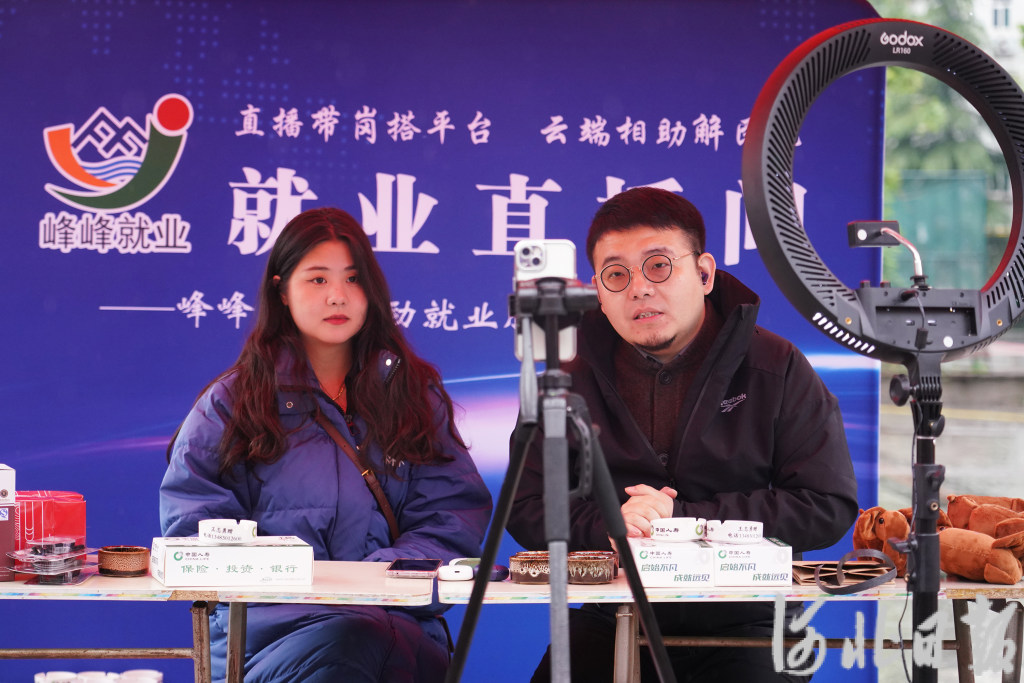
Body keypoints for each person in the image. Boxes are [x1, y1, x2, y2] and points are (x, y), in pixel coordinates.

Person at [506, 187, 858, 682]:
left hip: (751, 616)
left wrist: (686, 523)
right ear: (597, 292)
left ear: (704, 273)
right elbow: (526, 505)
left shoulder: (775, 366)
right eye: (616, 275)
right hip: (615, 609)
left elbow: (826, 505)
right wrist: (611, 525)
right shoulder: (568, 375)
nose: (639, 289)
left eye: (658, 266)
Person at [159, 207, 493, 683]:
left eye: (353, 279)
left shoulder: (411, 394)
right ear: (282, 290)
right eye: (318, 279)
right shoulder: (234, 402)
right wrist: (300, 586)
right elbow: (195, 531)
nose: (338, 295)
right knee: (349, 643)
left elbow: (452, 516)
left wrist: (377, 582)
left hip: (394, 623)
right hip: (270, 637)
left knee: (371, 642)